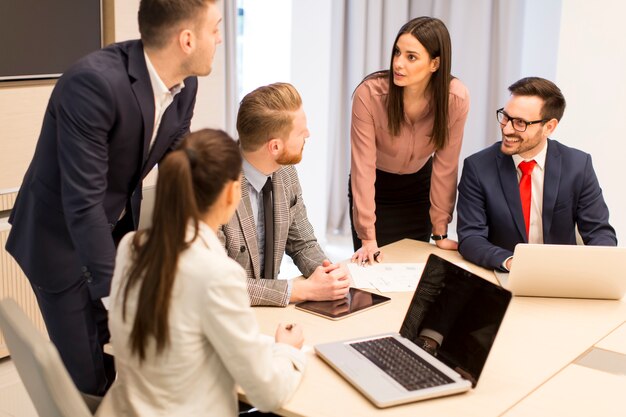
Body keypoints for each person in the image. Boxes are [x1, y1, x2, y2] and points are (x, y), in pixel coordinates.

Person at [5, 0, 222, 395]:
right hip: (57, 238)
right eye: (215, 29)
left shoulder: (185, 84)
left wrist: (201, 238)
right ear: (186, 39)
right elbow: (83, 204)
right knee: (87, 376)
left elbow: (177, 163)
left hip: (114, 225)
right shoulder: (92, 84)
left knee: (115, 353)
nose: (220, 38)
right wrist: (119, 298)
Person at [96, 129, 305, 416]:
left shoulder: (132, 246)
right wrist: (288, 350)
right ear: (233, 192)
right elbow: (267, 394)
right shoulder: (218, 273)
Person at [457, 77, 617, 271]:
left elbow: (599, 233)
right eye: (506, 117)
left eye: (520, 123)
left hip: (563, 275)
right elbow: (471, 238)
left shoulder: (578, 166)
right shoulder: (478, 167)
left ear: (549, 127)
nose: (507, 129)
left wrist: (598, 269)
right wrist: (510, 263)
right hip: (504, 274)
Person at [349, 16, 470, 266]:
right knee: (373, 275)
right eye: (397, 53)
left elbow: (446, 166)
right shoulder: (369, 94)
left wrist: (440, 230)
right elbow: (363, 168)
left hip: (418, 191)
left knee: (411, 273)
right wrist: (368, 236)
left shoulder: (454, 98)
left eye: (411, 57)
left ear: (435, 63)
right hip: (374, 190)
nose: (398, 63)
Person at [220, 82, 350, 307]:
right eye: (301, 132)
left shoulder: (285, 172)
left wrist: (327, 274)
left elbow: (302, 242)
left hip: (270, 316)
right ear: (275, 147)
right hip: (224, 316)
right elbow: (219, 285)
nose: (308, 134)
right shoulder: (212, 187)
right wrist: (297, 290)